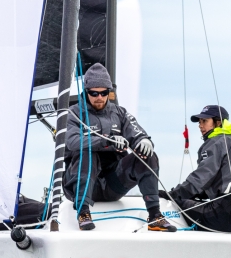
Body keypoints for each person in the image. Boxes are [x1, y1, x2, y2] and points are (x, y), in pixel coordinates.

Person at [63, 63, 176, 232]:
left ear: (109, 92)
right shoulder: (73, 114)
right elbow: (72, 141)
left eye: (103, 93)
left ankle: (155, 216)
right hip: (81, 186)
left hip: (111, 185)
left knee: (147, 155)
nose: (99, 97)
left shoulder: (120, 113)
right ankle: (83, 212)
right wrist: (106, 141)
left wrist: (144, 141)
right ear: (86, 91)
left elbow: (137, 133)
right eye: (94, 93)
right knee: (87, 151)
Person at [168, 105, 231, 233]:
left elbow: (201, 177)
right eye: (199, 122)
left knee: (177, 203)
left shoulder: (216, 142)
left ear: (218, 123)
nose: (200, 125)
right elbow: (223, 179)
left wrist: (173, 194)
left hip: (223, 211)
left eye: (204, 121)